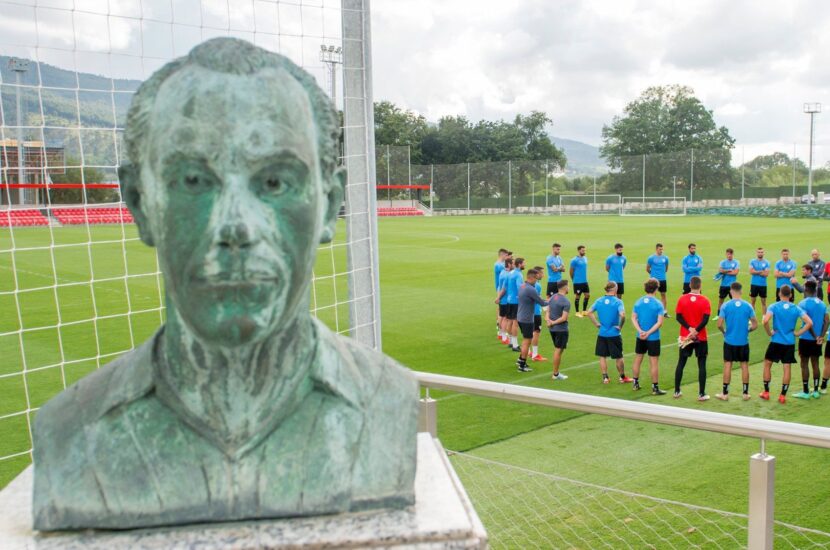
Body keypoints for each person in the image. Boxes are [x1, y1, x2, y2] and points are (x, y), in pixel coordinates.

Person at [31, 38, 419, 530]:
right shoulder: (71, 431)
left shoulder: (388, 400)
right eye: (194, 180)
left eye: (275, 182)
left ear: (331, 205)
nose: (234, 227)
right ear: (138, 202)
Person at [761, 285, 813, 404]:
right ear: (790, 295)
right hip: (789, 342)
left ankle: (766, 392)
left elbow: (765, 321)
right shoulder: (796, 308)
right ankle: (782, 396)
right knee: (787, 367)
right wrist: (798, 333)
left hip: (776, 341)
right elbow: (809, 322)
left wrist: (770, 332)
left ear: (779, 294)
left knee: (768, 364)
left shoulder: (773, 306)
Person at [715, 282, 758, 401]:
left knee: (728, 364)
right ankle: (745, 393)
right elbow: (755, 324)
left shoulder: (725, 305)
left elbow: (719, 324)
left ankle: (725, 393)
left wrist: (724, 332)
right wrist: (748, 330)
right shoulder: (748, 306)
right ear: (741, 291)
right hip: (743, 341)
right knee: (744, 365)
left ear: (730, 291)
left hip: (729, 341)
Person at [587, 282, 633, 384]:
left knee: (602, 356)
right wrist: (620, 326)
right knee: (619, 356)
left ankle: (605, 378)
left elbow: (589, 312)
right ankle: (622, 377)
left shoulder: (599, 300)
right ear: (615, 289)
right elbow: (623, 315)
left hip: (602, 333)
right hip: (614, 334)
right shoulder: (618, 302)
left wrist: (597, 324)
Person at [674, 276, 711, 401]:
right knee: (701, 364)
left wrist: (689, 329)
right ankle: (701, 394)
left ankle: (677, 391)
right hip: (701, 336)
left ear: (690, 285)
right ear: (700, 286)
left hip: (686, 336)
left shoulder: (682, 299)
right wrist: (696, 330)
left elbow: (678, 317)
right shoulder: (705, 300)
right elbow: (705, 320)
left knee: (681, 362)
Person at [631, 278, 666, 395]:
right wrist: (649, 333)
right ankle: (655, 388)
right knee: (654, 362)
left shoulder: (638, 302)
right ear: (656, 289)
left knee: (638, 359)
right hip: (653, 337)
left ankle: (635, 384)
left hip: (640, 336)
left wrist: (640, 331)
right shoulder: (658, 304)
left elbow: (633, 318)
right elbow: (659, 322)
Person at [793, 280, 828, 399]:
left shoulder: (803, 303)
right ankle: (816, 391)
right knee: (815, 363)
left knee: (804, 364)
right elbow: (827, 320)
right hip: (817, 339)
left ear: (806, 289)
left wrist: (814, 336)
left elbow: (808, 323)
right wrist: (821, 336)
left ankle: (806, 391)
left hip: (806, 338)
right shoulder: (822, 303)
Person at [516, 269, 549, 372]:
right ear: (532, 277)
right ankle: (522, 365)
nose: (537, 279)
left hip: (520, 316)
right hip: (527, 319)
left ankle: (520, 359)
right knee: (527, 341)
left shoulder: (523, 286)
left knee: (525, 340)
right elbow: (542, 303)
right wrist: (552, 301)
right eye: (536, 277)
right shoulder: (531, 289)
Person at [545, 279, 571, 381]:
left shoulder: (552, 297)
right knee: (558, 350)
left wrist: (548, 321)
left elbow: (547, 311)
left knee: (558, 349)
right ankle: (555, 374)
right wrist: (553, 322)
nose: (569, 288)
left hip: (552, 329)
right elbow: (564, 318)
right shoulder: (566, 301)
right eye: (568, 286)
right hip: (561, 329)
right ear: (564, 287)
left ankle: (556, 373)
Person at [715, 248, 740, 317]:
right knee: (721, 300)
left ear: (733, 254)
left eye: (731, 254)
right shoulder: (722, 262)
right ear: (726, 254)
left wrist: (724, 271)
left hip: (732, 286)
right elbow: (720, 271)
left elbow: (735, 273)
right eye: (728, 254)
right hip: (723, 285)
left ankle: (736, 314)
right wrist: (729, 270)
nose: (729, 256)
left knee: (735, 300)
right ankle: (718, 315)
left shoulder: (736, 262)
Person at [646, 243, 670, 315]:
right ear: (656, 249)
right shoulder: (651, 258)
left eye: (662, 249)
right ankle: (654, 311)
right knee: (653, 295)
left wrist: (661, 274)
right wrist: (653, 275)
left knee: (663, 294)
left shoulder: (665, 258)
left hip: (663, 279)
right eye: (660, 249)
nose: (661, 251)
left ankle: (664, 311)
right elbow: (647, 268)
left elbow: (666, 268)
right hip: (654, 280)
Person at [495, 257, 514, 345]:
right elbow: (504, 289)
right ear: (509, 264)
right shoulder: (507, 274)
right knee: (505, 318)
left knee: (502, 317)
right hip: (505, 299)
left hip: (503, 299)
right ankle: (504, 337)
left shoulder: (503, 272)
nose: (514, 265)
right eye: (513, 263)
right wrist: (498, 298)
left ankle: (501, 334)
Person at [531, 265, 548, 362]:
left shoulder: (530, 284)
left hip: (528, 312)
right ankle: (535, 355)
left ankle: (530, 352)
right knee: (536, 332)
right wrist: (546, 307)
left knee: (529, 333)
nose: (543, 275)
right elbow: (539, 300)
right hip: (536, 312)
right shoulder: (537, 285)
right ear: (537, 274)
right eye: (542, 273)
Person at [749, 247, 771, 314]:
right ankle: (752, 317)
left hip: (763, 285)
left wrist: (756, 271)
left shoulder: (767, 262)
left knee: (764, 302)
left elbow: (766, 274)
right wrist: (761, 271)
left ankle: (764, 317)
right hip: (754, 284)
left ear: (763, 253)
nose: (760, 253)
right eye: (759, 252)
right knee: (752, 302)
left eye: (761, 252)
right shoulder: (752, 261)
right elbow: (751, 272)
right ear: (756, 253)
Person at [570, 245, 590, 317]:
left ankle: (584, 310)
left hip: (585, 281)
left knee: (587, 295)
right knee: (578, 296)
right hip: (578, 282)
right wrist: (574, 279)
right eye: (582, 250)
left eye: (584, 250)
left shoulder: (585, 258)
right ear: (578, 251)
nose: (584, 252)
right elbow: (571, 271)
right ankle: (577, 312)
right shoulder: (574, 260)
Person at [494, 248, 509, 338]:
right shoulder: (498, 265)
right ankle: (501, 332)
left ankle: (500, 330)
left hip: (502, 288)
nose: (507, 257)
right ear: (502, 255)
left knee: (501, 310)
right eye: (506, 255)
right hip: (501, 289)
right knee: (502, 312)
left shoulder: (502, 264)